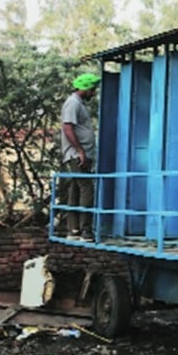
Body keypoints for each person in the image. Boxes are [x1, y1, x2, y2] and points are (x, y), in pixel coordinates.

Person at [60, 72, 100, 240]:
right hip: (77, 155)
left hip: (81, 154)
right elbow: (67, 128)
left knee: (76, 188)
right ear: (86, 88)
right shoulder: (72, 103)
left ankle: (73, 229)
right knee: (87, 187)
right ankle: (85, 230)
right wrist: (80, 151)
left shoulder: (80, 104)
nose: (94, 92)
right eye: (93, 89)